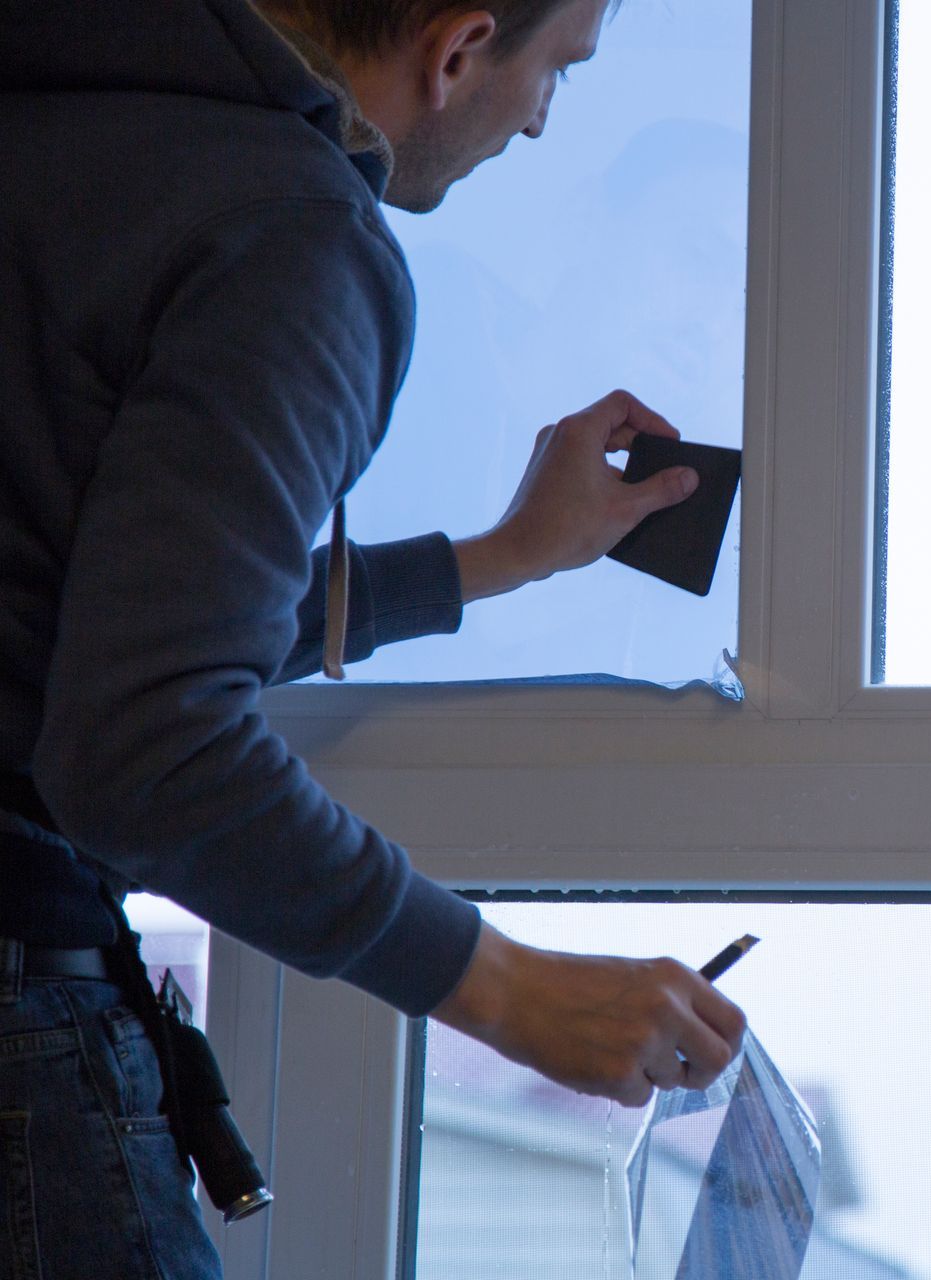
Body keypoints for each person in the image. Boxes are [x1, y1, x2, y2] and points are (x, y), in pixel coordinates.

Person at [0, 0, 747, 1273]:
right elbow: (141, 743)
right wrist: (507, 986)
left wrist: (491, 561)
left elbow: (107, 611)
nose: (544, 117)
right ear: (458, 49)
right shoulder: (289, 235)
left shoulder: (58, 111)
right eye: (555, 69)